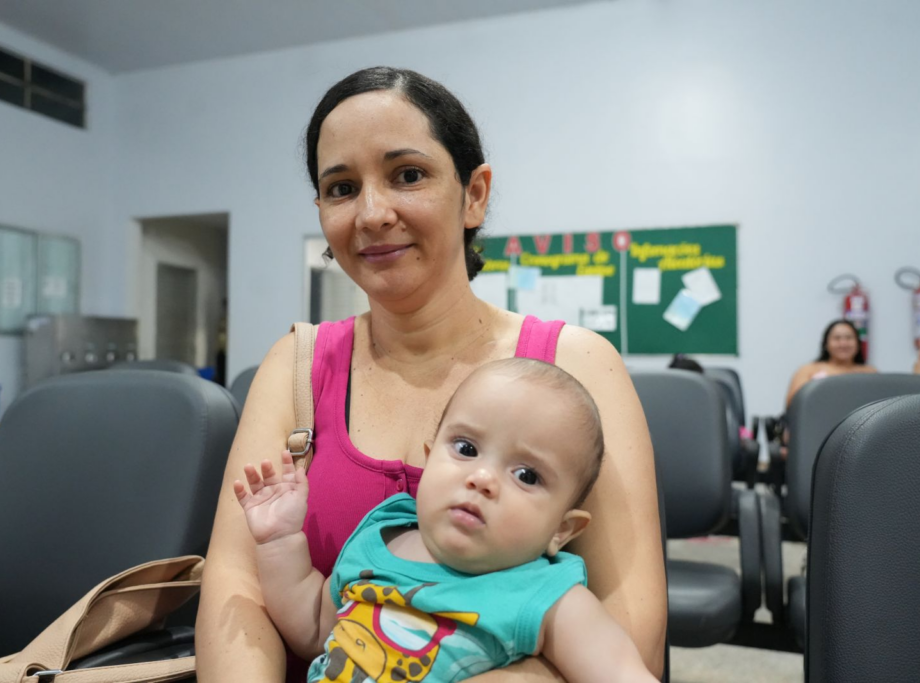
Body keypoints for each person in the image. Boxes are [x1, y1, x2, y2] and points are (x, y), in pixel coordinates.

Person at [195, 66, 666, 681]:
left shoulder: (577, 365)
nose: (371, 213)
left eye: (408, 175)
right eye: (341, 188)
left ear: (474, 195)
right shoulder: (296, 363)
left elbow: (629, 628)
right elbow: (238, 583)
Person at [234, 359, 657, 683]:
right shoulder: (380, 539)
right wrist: (279, 540)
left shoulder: (549, 598)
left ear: (561, 531)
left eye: (527, 475)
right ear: (428, 459)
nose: (482, 478)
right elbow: (313, 627)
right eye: (466, 449)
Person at [785, 319, 877, 407]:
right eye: (837, 338)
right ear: (826, 344)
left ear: (858, 343)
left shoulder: (870, 372)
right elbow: (794, 405)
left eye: (849, 338)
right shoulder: (808, 370)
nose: (843, 343)